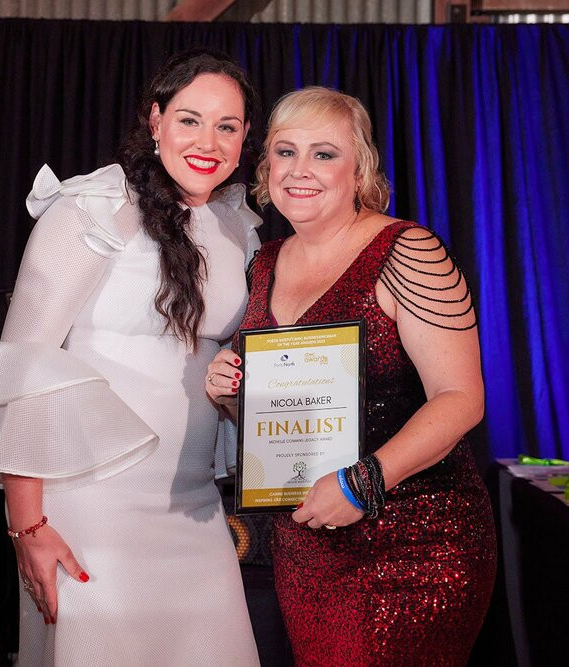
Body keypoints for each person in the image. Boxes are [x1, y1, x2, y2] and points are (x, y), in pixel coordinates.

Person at [0, 49, 262, 666]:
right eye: (190, 119)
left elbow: (219, 368)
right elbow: (25, 366)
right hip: (90, 504)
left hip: (195, 506)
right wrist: (27, 526)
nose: (209, 141)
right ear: (155, 119)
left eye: (227, 126)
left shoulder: (235, 228)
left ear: (246, 135)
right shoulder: (93, 209)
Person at [205, 86, 497, 665]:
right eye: (285, 152)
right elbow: (280, 416)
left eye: (324, 153)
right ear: (265, 168)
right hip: (307, 540)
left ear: (359, 168)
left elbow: (461, 398)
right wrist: (231, 393)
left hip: (414, 539)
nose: (300, 170)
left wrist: (362, 483)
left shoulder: (407, 249)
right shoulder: (263, 262)